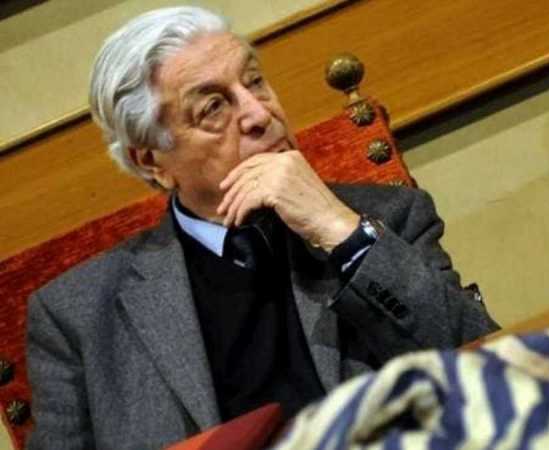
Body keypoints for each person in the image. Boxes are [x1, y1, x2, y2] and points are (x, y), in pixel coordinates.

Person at [25, 6, 499, 450]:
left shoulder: (388, 219)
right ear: (152, 161)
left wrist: (340, 232)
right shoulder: (77, 316)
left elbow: (488, 370)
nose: (258, 114)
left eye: (255, 82)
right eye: (213, 107)